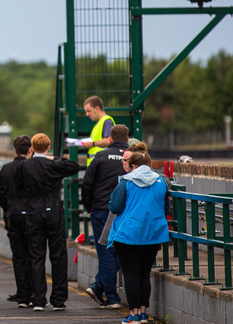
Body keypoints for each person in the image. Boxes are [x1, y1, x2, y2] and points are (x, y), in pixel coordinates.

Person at [19, 133, 79, 311]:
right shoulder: (53, 164)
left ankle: (38, 298)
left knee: (36, 255)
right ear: (47, 147)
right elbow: (73, 166)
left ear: (31, 147)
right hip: (53, 209)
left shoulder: (25, 166)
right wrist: (53, 157)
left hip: (33, 210)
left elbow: (19, 188)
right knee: (58, 255)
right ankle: (59, 299)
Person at [108, 151, 169, 324]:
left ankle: (133, 314)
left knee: (131, 274)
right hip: (153, 233)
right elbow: (166, 208)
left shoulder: (126, 182)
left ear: (133, 166)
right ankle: (143, 313)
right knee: (144, 274)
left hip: (128, 234)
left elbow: (115, 206)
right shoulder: (161, 182)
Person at [81, 124, 129, 309]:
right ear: (127, 139)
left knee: (106, 253)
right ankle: (99, 286)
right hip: (125, 212)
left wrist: (88, 206)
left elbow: (87, 184)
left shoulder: (100, 156)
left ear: (110, 139)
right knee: (120, 251)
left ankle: (111, 296)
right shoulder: (131, 158)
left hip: (101, 210)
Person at [0, 135, 33, 308]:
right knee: (33, 253)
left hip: (13, 215)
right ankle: (35, 291)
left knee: (18, 255)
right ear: (30, 149)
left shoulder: (6, 169)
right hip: (32, 216)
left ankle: (22, 293)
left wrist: (9, 207)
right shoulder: (32, 168)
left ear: (15, 149)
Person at [81, 96, 116, 166]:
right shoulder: (98, 123)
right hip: (96, 163)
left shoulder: (107, 122)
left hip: (102, 164)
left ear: (97, 108)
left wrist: (92, 144)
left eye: (89, 111)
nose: (87, 114)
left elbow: (109, 141)